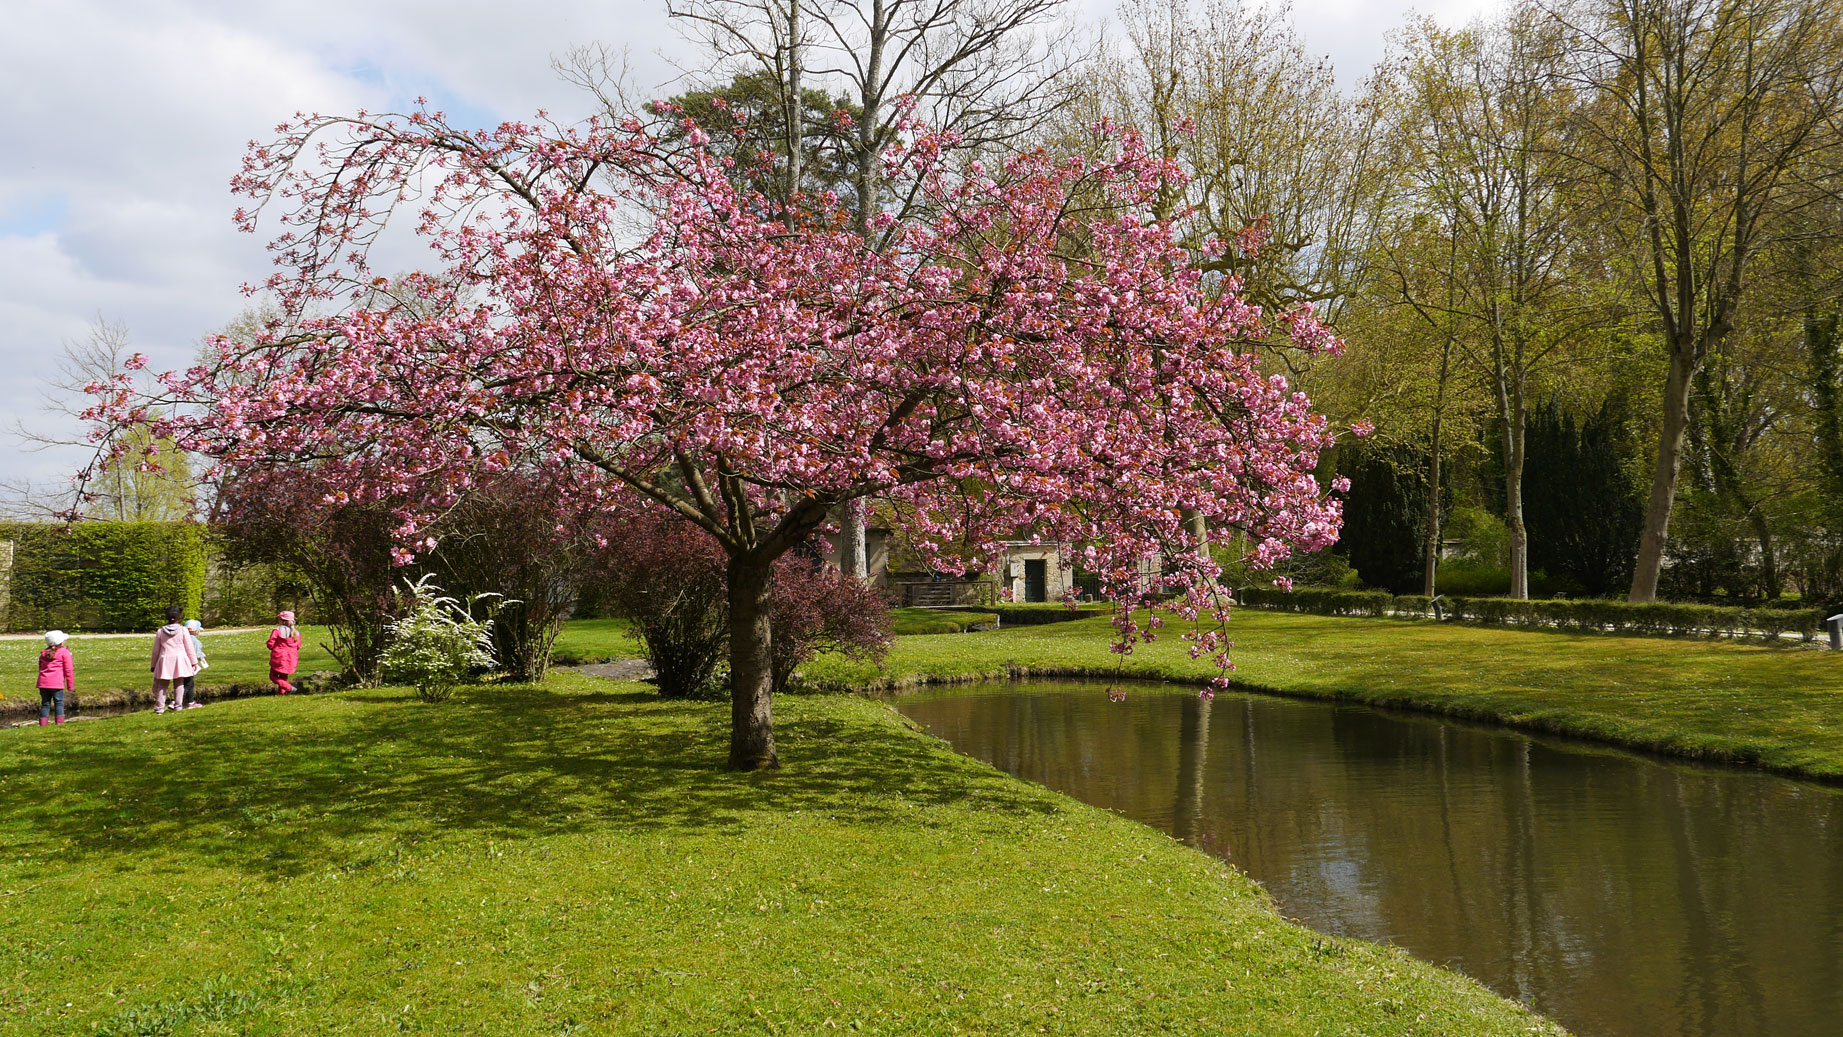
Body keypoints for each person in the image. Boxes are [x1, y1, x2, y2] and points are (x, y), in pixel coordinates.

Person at [151, 605, 200, 714]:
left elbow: (155, 651)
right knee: (179, 684)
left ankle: (159, 708)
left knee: (162, 685)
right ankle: (178, 706)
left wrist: (153, 665)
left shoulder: (160, 631)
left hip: (164, 660)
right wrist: (194, 662)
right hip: (180, 660)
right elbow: (189, 648)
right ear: (180, 617)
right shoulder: (183, 630)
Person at [36, 630, 74, 727]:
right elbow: (69, 670)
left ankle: (43, 725)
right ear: (61, 642)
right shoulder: (65, 653)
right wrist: (70, 686)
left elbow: (40, 667)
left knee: (45, 704)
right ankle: (60, 724)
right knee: (59, 703)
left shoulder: (43, 653)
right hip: (56, 684)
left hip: (43, 684)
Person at [267, 611, 301, 695]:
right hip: (291, 658)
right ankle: (280, 693)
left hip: (279, 657)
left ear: (282, 620)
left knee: (273, 676)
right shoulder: (296, 633)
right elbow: (298, 646)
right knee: (284, 677)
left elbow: (270, 643)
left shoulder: (277, 630)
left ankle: (289, 688)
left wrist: (271, 646)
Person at [179, 619, 208, 709]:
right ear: (195, 630)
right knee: (188, 684)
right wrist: (202, 658)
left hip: (180, 663)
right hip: (190, 664)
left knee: (185, 683)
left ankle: (190, 702)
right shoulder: (195, 641)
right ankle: (177, 702)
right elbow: (196, 652)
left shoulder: (181, 637)